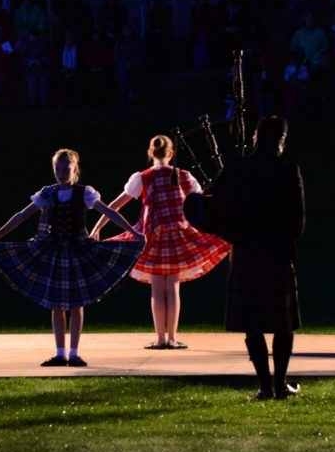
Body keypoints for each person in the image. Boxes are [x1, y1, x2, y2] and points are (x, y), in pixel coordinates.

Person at [0, 149, 145, 367]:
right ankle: (60, 353)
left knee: (77, 303)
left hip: (78, 250)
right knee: (56, 304)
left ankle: (75, 353)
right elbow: (22, 215)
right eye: (57, 168)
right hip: (54, 251)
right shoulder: (47, 194)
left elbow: (108, 212)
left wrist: (133, 232)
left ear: (75, 169)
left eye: (66, 168)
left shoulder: (84, 193)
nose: (61, 172)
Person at [186, 116, 304, 400]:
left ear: (255, 138)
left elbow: (205, 203)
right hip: (276, 253)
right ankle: (279, 385)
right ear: (281, 140)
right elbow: (297, 223)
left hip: (245, 252)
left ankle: (265, 385)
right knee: (282, 324)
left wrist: (233, 226)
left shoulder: (237, 169)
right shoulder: (287, 171)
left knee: (252, 324)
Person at [91, 135, 230, 349]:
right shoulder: (185, 176)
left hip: (151, 237)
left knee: (157, 289)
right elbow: (202, 202)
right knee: (173, 287)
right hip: (177, 236)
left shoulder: (143, 177)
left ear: (150, 153)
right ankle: (172, 338)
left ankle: (160, 338)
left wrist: (98, 227)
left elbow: (116, 204)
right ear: (171, 153)